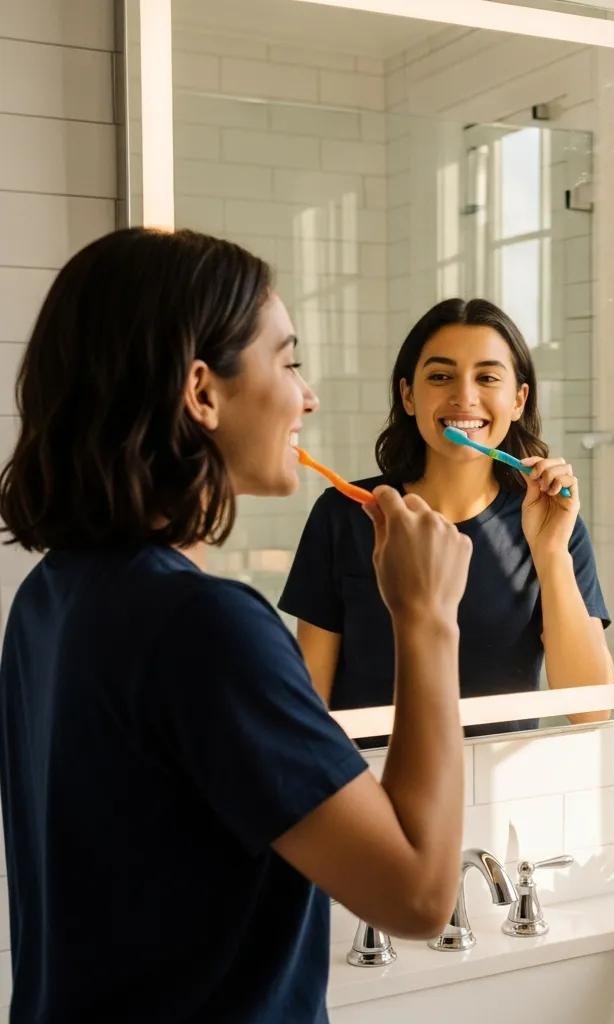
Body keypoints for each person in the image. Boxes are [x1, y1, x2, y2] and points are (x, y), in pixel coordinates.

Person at [0, 228, 471, 1023]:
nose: (307, 396)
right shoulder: (203, 626)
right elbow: (421, 897)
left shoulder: (52, 596)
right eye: (287, 362)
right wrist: (426, 620)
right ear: (202, 392)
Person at [280, 297, 614, 742]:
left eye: (487, 377)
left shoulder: (553, 522)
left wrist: (550, 552)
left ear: (518, 399)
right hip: (371, 784)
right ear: (408, 396)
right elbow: (309, 704)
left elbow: (591, 709)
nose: (464, 397)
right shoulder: (346, 513)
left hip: (497, 786)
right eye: (440, 376)